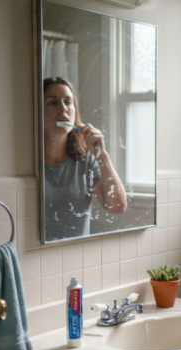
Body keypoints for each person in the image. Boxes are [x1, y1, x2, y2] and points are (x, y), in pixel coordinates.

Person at [42, 77, 128, 241]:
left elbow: (118, 206)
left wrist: (102, 155)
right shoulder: (29, 162)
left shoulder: (86, 161)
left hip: (78, 257)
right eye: (52, 103)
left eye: (68, 102)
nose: (63, 109)